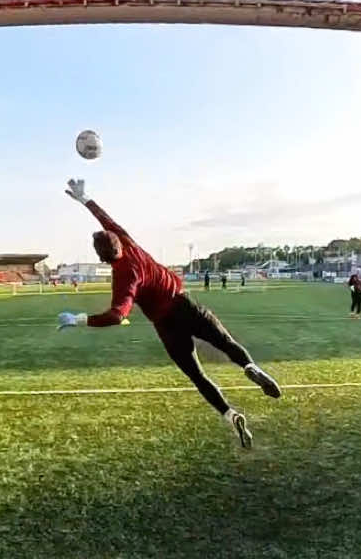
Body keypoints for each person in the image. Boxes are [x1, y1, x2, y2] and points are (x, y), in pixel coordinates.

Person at [57, 180, 280, 448]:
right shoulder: (128, 242)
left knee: (197, 376)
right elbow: (107, 219)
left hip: (166, 326)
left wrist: (80, 319)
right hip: (184, 305)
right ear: (117, 240)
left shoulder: (124, 275)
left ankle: (231, 416)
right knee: (225, 343)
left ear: (103, 259)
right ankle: (250, 367)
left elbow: (118, 315)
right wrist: (85, 199)